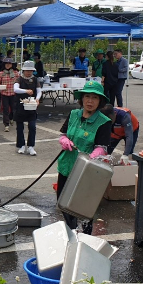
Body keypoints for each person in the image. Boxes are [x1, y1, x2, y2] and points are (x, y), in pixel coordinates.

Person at [56, 81, 112, 234]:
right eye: (87, 96)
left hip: (86, 172)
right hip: (66, 166)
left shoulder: (104, 122)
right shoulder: (74, 114)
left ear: (100, 101)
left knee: (83, 209)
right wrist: (64, 140)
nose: (90, 101)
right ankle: (71, 232)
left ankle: (84, 238)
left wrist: (95, 155)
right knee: (63, 203)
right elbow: (63, 134)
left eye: (95, 98)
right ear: (81, 98)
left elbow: (102, 147)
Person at [14, 61, 42, 156]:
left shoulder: (35, 80)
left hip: (31, 105)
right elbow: (15, 89)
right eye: (27, 70)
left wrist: (37, 99)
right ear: (23, 70)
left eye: (30, 70)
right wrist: (26, 91)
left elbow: (39, 91)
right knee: (20, 127)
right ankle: (21, 145)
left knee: (32, 127)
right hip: (20, 106)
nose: (29, 72)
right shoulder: (19, 79)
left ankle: (31, 146)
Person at [0, 57, 19, 133]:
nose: (8, 65)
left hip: (13, 93)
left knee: (13, 108)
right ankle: (6, 125)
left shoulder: (16, 73)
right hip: (4, 93)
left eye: (9, 64)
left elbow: (19, 82)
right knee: (5, 109)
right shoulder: (1, 73)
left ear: (12, 65)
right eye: (6, 64)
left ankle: (11, 118)